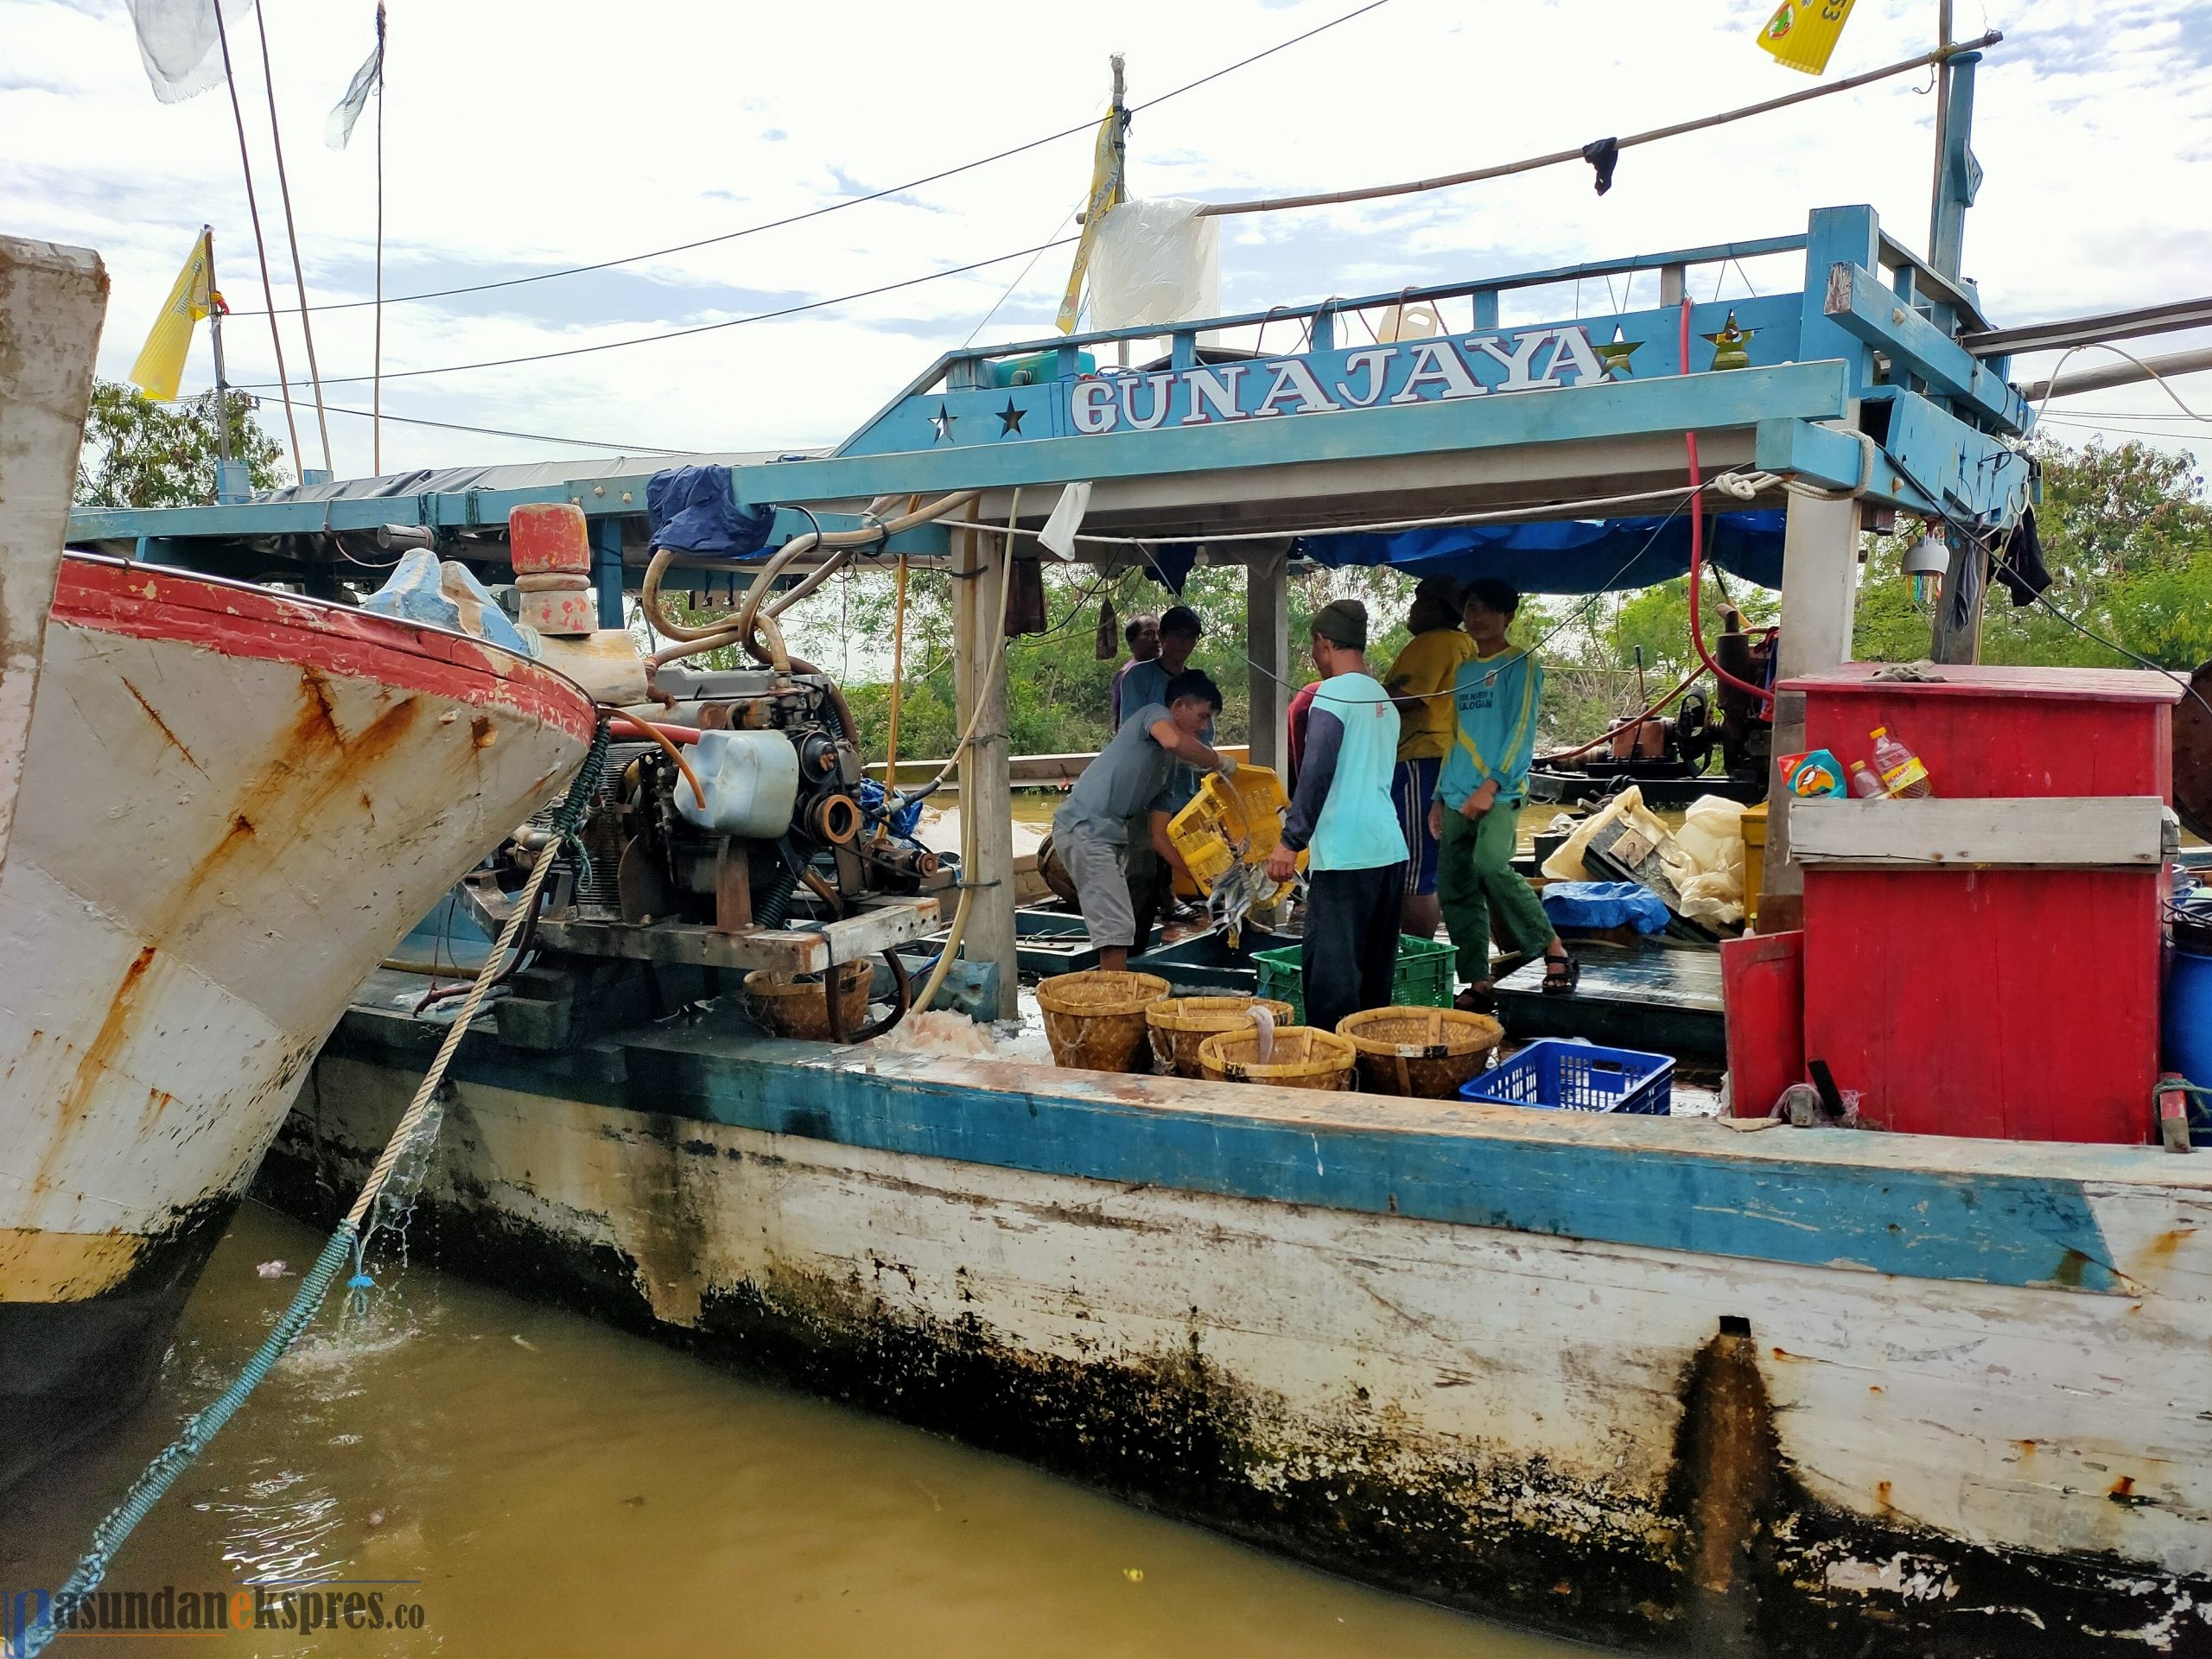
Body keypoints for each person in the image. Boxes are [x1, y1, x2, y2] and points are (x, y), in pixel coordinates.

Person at [1427, 579, 1575, 1008]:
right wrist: (1439, 796)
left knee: (1491, 867)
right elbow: (1454, 735)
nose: (1478, 618)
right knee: (1455, 888)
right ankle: (1478, 981)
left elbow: (1521, 731)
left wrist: (1492, 785)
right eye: (1471, 609)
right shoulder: (1465, 671)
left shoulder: (1522, 664)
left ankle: (1553, 949)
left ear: (1508, 616)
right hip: (1455, 792)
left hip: (1500, 791)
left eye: (1488, 610)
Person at [1266, 601, 1408, 1035]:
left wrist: (1291, 841)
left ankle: (1337, 1073)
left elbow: (1317, 770)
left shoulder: (1332, 693)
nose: (1314, 657)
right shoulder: (1383, 696)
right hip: (1389, 850)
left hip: (1346, 855)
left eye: (1314, 647)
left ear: (1324, 644)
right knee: (1374, 976)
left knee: (1332, 979)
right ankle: (1371, 1067)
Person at [1054, 671, 1233, 973]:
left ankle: (1116, 992)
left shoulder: (1166, 769)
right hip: (1084, 826)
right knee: (1116, 929)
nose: (1204, 727)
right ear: (1178, 706)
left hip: (1109, 835)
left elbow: (1159, 839)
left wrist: (1203, 880)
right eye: (1202, 716)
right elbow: (1174, 740)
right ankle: (1116, 1005)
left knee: (1119, 925)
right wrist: (1217, 761)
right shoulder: (1153, 715)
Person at [1382, 575, 1476, 943]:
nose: (1412, 608)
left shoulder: (1433, 642)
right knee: (1437, 866)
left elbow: (1405, 697)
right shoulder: (1468, 644)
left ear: (1436, 608)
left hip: (1421, 759)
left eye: (1418, 600)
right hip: (1452, 760)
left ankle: (1417, 954)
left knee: (1415, 871)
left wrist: (1358, 688)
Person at [1110, 605, 1206, 935]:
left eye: (1192, 637)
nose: (1186, 643)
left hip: (1183, 786)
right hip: (1143, 786)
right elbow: (1137, 730)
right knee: (1141, 865)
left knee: (1186, 859)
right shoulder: (1138, 677)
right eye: (1178, 635)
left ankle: (1170, 922)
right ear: (1162, 638)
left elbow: (1204, 736)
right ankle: (1129, 942)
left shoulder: (1197, 683)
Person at [1107, 613, 1160, 729]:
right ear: (1132, 641)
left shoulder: (1163, 672)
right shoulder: (1127, 676)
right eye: (1148, 634)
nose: (1156, 639)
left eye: (1159, 633)